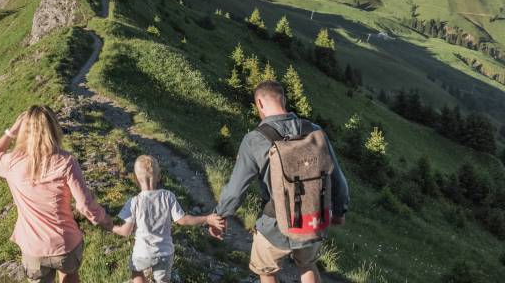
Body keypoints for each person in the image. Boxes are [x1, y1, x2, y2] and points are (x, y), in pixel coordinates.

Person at [212, 80, 349, 283]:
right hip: (312, 217)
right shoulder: (314, 131)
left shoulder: (254, 140)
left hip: (275, 222)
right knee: (307, 264)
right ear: (283, 100)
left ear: (259, 102)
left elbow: (235, 190)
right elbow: (337, 177)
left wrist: (220, 214)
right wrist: (339, 211)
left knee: (266, 270)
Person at [0, 105, 113, 283]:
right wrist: (104, 220)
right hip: (65, 243)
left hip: (33, 248)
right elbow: (84, 205)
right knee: (70, 276)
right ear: (54, 128)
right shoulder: (66, 162)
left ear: (24, 130)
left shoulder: (12, 162)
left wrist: (11, 131)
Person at [112, 155, 226, 283]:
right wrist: (206, 219)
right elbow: (183, 220)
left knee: (137, 274)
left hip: (142, 253)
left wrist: (112, 227)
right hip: (165, 253)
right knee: (163, 280)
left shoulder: (134, 202)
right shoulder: (168, 196)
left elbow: (126, 231)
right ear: (159, 177)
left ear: (136, 179)